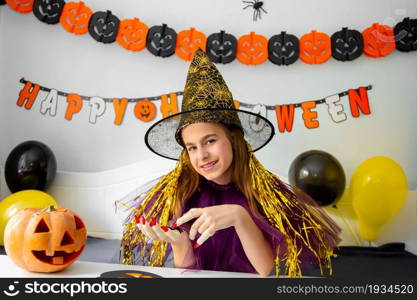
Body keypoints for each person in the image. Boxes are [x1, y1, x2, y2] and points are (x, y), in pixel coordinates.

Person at [117, 48, 341, 277]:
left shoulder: (266, 194)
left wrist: (240, 217)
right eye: (192, 147)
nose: (202, 155)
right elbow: (187, 275)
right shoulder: (182, 193)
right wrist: (181, 245)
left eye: (210, 141)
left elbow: (268, 272)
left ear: (233, 140)